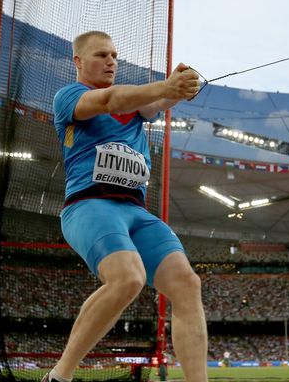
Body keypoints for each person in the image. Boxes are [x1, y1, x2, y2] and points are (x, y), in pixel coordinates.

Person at [47, 31, 207, 382]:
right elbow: (111, 102)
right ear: (78, 61)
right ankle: (60, 376)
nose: (111, 62)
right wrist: (167, 86)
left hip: (135, 211)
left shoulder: (135, 106)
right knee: (128, 277)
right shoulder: (70, 97)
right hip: (90, 205)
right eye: (102, 55)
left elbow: (155, 102)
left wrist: (182, 85)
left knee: (186, 283)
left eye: (115, 56)